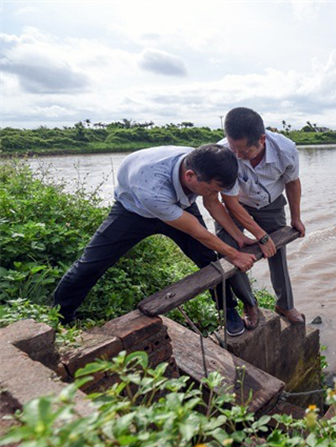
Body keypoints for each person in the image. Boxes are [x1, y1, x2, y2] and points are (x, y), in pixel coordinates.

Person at [53, 144, 257, 337]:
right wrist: (234, 255)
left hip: (177, 203)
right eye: (213, 189)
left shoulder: (206, 162)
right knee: (91, 263)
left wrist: (239, 238)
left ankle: (228, 309)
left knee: (207, 259)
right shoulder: (153, 189)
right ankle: (60, 316)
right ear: (190, 176)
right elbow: (196, 231)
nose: (215, 194)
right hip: (133, 211)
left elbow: (213, 204)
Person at [216, 107, 306, 328]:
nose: (237, 156)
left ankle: (284, 304)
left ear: (262, 139)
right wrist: (260, 236)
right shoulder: (222, 154)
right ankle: (249, 304)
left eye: (244, 151)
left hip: (270, 203)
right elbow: (229, 202)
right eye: (233, 148)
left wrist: (296, 217)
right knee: (229, 250)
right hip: (236, 205)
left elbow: (292, 182)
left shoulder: (285, 150)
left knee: (277, 251)